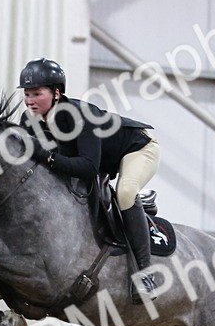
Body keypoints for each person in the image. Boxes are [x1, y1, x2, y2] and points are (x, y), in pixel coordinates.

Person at [18, 58, 161, 302]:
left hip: (137, 149)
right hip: (101, 160)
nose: (30, 100)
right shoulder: (29, 121)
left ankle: (145, 273)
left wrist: (48, 157)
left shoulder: (80, 115)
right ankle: (136, 208)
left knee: (125, 192)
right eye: (27, 94)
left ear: (56, 93)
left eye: (37, 93)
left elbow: (87, 167)